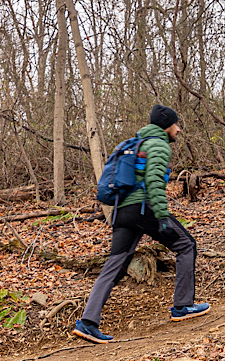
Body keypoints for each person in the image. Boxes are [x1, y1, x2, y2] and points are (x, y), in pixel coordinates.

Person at [73, 104, 210, 343]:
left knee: (114, 265)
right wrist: (162, 217)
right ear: (167, 126)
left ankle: (87, 322)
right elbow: (155, 184)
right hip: (144, 209)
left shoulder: (135, 143)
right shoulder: (158, 145)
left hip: (121, 212)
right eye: (176, 125)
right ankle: (183, 305)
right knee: (187, 245)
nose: (178, 130)